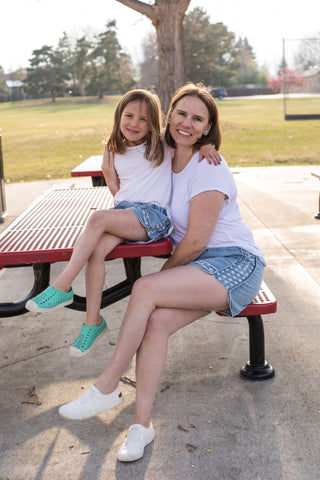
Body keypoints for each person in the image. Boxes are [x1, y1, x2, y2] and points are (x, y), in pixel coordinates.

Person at [58, 83, 266, 462]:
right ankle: (141, 426)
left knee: (145, 290)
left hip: (234, 263)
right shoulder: (165, 158)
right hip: (202, 270)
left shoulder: (209, 167)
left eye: (198, 119)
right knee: (154, 325)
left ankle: (107, 386)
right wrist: (108, 169)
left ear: (207, 129)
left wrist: (164, 277)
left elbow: (197, 241)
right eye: (181, 114)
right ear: (168, 117)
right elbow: (131, 191)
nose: (187, 123)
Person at [26, 88, 220, 357]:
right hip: (126, 212)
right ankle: (92, 321)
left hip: (154, 217)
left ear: (153, 124)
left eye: (143, 119)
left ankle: (62, 285)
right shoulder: (113, 149)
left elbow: (190, 138)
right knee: (95, 251)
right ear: (118, 117)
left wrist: (207, 145)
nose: (135, 124)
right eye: (129, 116)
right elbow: (121, 195)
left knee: (96, 218)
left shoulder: (163, 143)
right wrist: (110, 179)